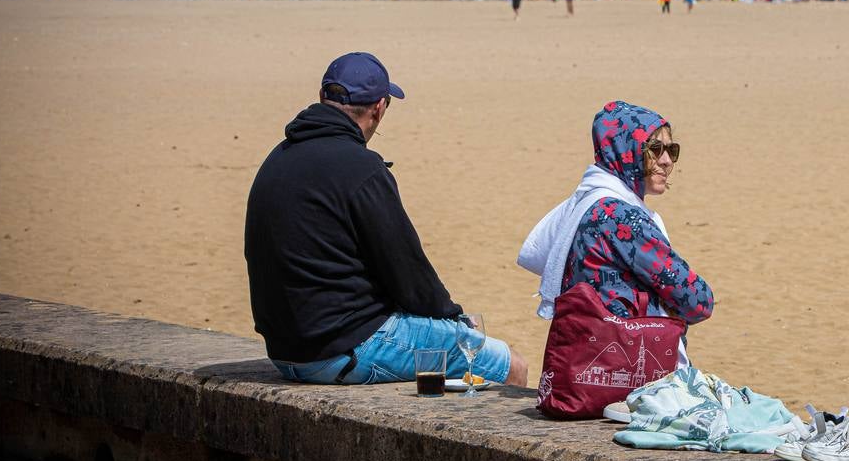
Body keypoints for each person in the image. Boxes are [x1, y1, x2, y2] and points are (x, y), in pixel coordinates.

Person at [245, 52, 529, 387]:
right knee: (510, 365)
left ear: (323, 97)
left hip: (285, 351)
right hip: (340, 350)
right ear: (379, 108)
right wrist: (454, 319)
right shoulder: (360, 167)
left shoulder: (278, 156)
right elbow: (406, 270)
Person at [517, 101, 714, 363]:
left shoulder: (588, 203)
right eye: (655, 149)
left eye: (671, 150)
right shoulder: (621, 218)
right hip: (628, 367)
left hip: (587, 361)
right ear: (626, 150)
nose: (667, 161)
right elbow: (698, 301)